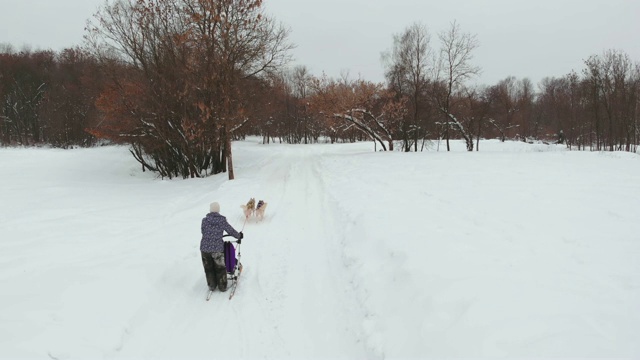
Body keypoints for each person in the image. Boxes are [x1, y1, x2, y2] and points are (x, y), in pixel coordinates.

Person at [200, 202, 243, 292]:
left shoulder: (204, 220)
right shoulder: (221, 220)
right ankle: (222, 286)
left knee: (208, 268)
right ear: (218, 210)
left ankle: (212, 285)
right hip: (217, 249)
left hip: (204, 249)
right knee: (220, 268)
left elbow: (203, 231)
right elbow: (230, 230)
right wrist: (239, 236)